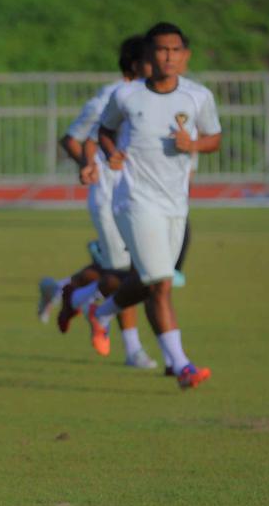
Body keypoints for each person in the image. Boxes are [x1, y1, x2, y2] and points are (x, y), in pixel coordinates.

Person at [89, 22, 221, 389]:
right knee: (160, 283)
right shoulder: (127, 96)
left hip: (175, 204)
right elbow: (104, 130)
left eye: (176, 50)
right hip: (134, 200)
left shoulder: (198, 97)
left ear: (186, 55)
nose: (169, 56)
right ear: (148, 56)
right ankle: (181, 366)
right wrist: (112, 154)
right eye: (161, 50)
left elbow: (214, 138)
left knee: (150, 284)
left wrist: (193, 145)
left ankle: (100, 313)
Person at [40, 36, 158, 369]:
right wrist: (89, 166)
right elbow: (73, 138)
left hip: (143, 198)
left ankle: (70, 293)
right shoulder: (110, 97)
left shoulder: (156, 99)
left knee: (131, 272)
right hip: (110, 198)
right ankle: (132, 348)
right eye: (154, 57)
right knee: (127, 275)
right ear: (135, 64)